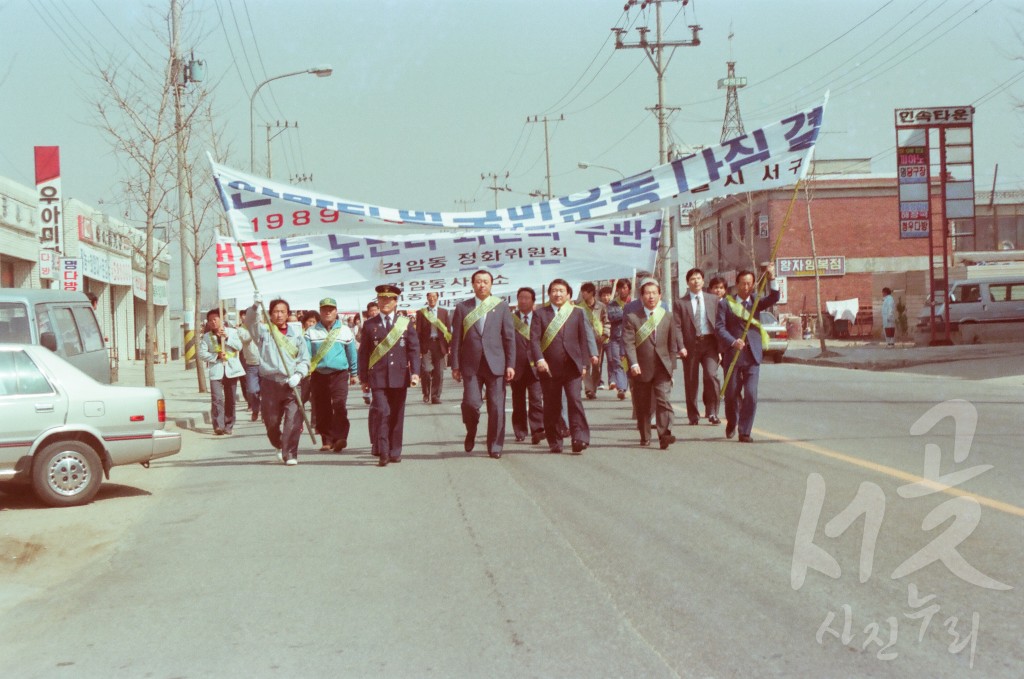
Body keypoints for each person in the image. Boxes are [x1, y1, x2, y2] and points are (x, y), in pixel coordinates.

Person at [450, 270, 516, 459]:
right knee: (470, 403)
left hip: (496, 364)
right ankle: (471, 430)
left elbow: (509, 338)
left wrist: (510, 364)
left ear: (491, 284)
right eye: (478, 282)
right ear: (472, 284)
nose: (482, 285)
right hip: (471, 365)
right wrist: (455, 365)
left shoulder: (501, 306)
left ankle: (495, 446)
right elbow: (456, 340)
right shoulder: (463, 308)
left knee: (496, 407)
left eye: (485, 282)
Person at [715, 265, 780, 443]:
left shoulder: (756, 301)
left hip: (752, 355)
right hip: (733, 355)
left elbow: (774, 297)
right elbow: (719, 328)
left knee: (751, 394)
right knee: (731, 395)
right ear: (736, 284)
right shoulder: (726, 304)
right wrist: (732, 341)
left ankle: (745, 431)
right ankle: (732, 422)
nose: (746, 287)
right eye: (743, 283)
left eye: (749, 284)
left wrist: (772, 278)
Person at [357, 284, 420, 467]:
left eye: (389, 299)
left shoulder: (405, 323)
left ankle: (395, 451)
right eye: (381, 298)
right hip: (377, 378)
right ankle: (383, 451)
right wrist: (363, 379)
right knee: (382, 412)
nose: (384, 302)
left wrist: (415, 372)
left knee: (397, 415)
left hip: (400, 376)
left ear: (395, 301)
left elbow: (414, 350)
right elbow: (364, 354)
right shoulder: (370, 325)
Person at [244, 295, 311, 465]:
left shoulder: (296, 336)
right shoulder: (264, 333)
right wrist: (255, 306)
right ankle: (279, 443)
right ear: (270, 314)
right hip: (270, 383)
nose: (279, 315)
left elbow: (305, 360)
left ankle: (290, 454)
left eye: (282, 312)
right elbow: (250, 323)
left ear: (288, 314)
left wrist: (299, 374)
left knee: (293, 421)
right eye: (275, 312)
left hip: (291, 383)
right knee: (272, 422)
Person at [531, 278, 591, 454]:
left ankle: (579, 438)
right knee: (552, 405)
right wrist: (539, 360)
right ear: (549, 294)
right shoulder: (540, 314)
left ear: (568, 294)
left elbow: (583, 340)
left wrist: (585, 363)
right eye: (554, 291)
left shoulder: (577, 313)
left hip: (572, 366)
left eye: (561, 291)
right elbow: (534, 340)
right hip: (548, 368)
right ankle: (555, 440)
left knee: (574, 401)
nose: (557, 294)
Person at [623, 278, 680, 449]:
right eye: (647, 293)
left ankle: (665, 435)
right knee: (643, 405)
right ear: (641, 297)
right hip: (641, 368)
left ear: (660, 295)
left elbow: (672, 345)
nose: (651, 296)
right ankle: (645, 435)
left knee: (664, 401)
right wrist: (633, 364)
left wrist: (672, 368)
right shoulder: (633, 318)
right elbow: (629, 343)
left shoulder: (667, 316)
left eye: (654, 293)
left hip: (663, 367)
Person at [306, 297, 358, 453]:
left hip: (339, 374)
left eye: (331, 310)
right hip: (319, 374)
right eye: (324, 310)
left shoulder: (345, 330)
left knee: (339, 405)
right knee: (322, 408)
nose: (327, 312)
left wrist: (354, 373)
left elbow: (351, 353)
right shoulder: (311, 331)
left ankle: (340, 437)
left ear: (336, 311)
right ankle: (327, 439)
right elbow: (306, 354)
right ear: (320, 312)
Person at [674, 267, 722, 426]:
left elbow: (720, 324)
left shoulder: (713, 299)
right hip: (691, 345)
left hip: (710, 344)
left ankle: (713, 412)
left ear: (703, 281)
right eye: (692, 279)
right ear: (688, 282)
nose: (696, 281)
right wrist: (680, 346)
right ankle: (693, 415)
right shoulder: (681, 303)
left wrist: (721, 348)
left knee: (711, 376)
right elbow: (677, 327)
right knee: (691, 381)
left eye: (698, 278)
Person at [197, 307, 244, 436]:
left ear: (221, 319)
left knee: (230, 399)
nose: (212, 322)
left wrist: (227, 338)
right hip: (216, 370)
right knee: (217, 398)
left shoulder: (232, 332)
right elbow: (202, 353)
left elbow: (239, 346)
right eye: (210, 320)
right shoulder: (207, 337)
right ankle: (218, 425)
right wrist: (216, 356)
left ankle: (229, 424)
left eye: (215, 319)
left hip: (231, 370)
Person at [510, 287, 545, 445]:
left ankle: (537, 429)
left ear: (533, 301)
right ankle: (520, 430)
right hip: (516, 366)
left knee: (536, 399)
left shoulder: (540, 317)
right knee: (518, 400)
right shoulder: (510, 318)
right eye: (520, 298)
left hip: (535, 366)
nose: (523, 301)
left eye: (526, 298)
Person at [416, 291, 451, 404]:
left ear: (437, 298)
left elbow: (448, 330)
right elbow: (418, 331)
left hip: (439, 345)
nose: (432, 299)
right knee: (426, 370)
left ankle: (436, 396)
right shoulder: (421, 313)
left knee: (439, 372)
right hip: (427, 345)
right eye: (429, 297)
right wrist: (418, 348)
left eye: (434, 297)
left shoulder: (444, 312)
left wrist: (449, 345)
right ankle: (426, 393)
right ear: (427, 298)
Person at [579, 282, 610, 400]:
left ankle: (594, 387)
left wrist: (605, 335)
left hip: (598, 340)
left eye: (585, 292)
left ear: (591, 293)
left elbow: (606, 321)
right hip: (583, 339)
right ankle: (589, 389)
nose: (582, 294)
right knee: (586, 365)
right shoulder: (579, 306)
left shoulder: (601, 306)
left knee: (596, 366)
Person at [605, 278, 631, 400]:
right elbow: (611, 316)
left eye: (625, 288)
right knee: (618, 363)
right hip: (616, 338)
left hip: (631, 339)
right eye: (620, 288)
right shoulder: (612, 304)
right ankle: (621, 388)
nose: (622, 290)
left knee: (631, 364)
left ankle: (632, 385)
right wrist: (626, 312)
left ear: (629, 289)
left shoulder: (635, 303)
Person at [236, 308, 262, 422]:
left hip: (265, 364)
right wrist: (253, 328)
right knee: (252, 390)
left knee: (266, 391)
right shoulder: (241, 330)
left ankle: (265, 411)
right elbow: (246, 339)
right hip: (251, 364)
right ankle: (255, 408)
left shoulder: (263, 327)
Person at [358, 301, 380, 405]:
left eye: (376, 310)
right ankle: (366, 394)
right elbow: (359, 338)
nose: (374, 312)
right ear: (368, 312)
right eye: (372, 310)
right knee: (366, 373)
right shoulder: (366, 324)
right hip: (369, 353)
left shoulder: (382, 322)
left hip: (380, 352)